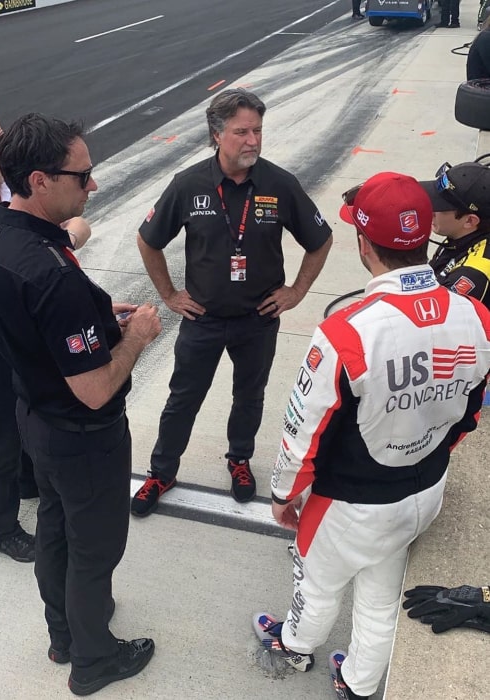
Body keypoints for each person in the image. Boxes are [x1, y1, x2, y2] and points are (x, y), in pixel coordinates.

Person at [252, 172, 490, 700]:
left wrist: (283, 496)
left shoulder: (347, 329)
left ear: (364, 243)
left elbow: (302, 436)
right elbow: (470, 413)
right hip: (426, 489)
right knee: (381, 596)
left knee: (316, 582)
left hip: (351, 502)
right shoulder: (476, 315)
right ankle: (357, 685)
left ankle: (292, 650)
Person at [0, 113, 161, 696]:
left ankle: (63, 633)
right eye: (82, 175)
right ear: (39, 180)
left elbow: (38, 316)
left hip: (34, 417)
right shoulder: (48, 275)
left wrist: (91, 315)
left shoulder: (2, 236)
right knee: (96, 549)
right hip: (82, 434)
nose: (93, 186)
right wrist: (136, 334)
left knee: (57, 532)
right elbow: (93, 388)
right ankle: (93, 661)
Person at [131, 88, 333, 517]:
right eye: (242, 132)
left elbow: (321, 239)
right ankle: (162, 470)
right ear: (217, 134)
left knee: (250, 396)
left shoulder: (280, 184)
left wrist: (295, 291)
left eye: (258, 130)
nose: (253, 141)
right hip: (202, 320)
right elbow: (148, 241)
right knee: (183, 398)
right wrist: (169, 295)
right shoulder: (188, 186)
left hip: (257, 320)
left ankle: (239, 459)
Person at [0, 109, 91, 564]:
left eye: (2, 138)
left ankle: (29, 480)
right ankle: (0, 525)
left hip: (19, 325)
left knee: (25, 406)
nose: (1, 149)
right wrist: (64, 238)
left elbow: (54, 230)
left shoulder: (13, 191)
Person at [419, 158, 490, 308]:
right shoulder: (460, 234)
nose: (430, 209)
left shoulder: (472, 275)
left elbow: (436, 321)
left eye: (440, 206)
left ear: (470, 221)